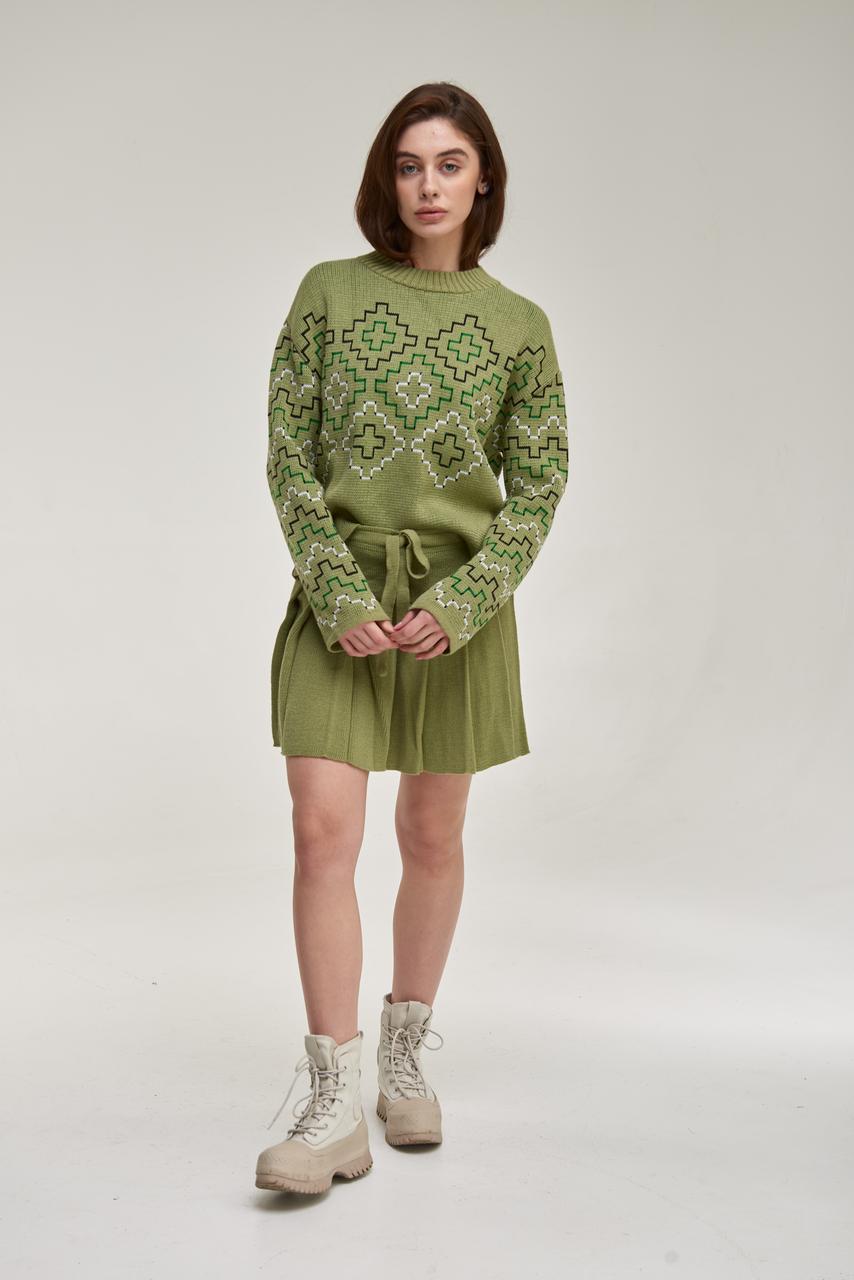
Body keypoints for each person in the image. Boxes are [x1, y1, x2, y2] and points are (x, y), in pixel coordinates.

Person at [255, 81, 569, 1195]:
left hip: (456, 613)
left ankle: (402, 1052)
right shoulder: (329, 293)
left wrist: (470, 598)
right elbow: (288, 455)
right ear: (383, 181)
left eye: (449, 164)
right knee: (319, 832)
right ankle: (333, 1098)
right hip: (338, 597)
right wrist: (335, 588)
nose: (427, 185)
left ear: (483, 181)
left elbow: (540, 482)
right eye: (407, 164)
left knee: (432, 834)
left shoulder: (521, 326)